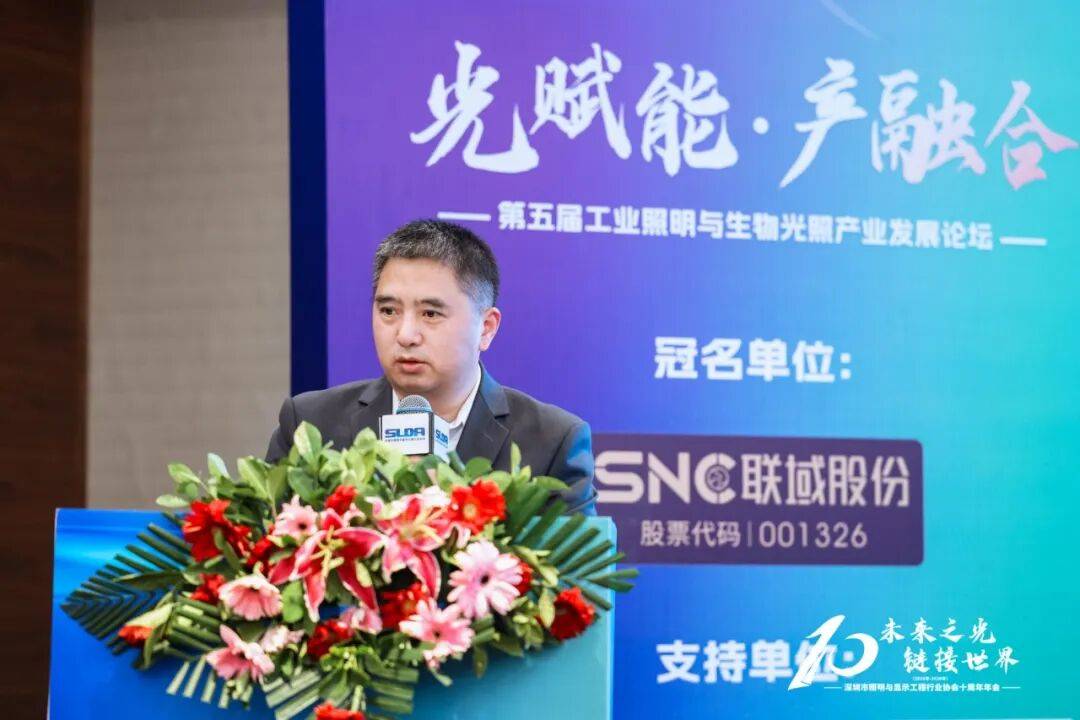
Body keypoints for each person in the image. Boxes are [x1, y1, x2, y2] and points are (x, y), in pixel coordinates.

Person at [265, 219, 596, 514]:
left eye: (430, 314)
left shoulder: (552, 441)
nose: (406, 335)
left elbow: (575, 563)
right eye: (389, 311)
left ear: (486, 328)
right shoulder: (309, 424)